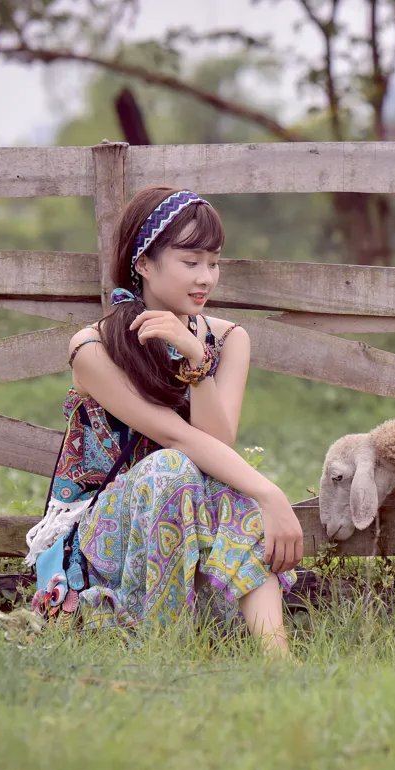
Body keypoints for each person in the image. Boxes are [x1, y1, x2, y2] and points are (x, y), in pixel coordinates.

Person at [25, 185, 304, 657]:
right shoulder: (92, 348)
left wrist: (197, 360)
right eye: (190, 262)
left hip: (192, 528)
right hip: (105, 544)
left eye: (213, 262)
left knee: (211, 476)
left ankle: (279, 661)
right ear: (144, 264)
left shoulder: (229, 339)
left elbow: (217, 442)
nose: (205, 278)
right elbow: (177, 437)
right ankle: (166, 644)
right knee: (174, 467)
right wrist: (270, 494)